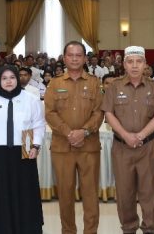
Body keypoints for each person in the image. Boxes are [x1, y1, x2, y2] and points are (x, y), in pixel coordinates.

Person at [102, 46, 154, 234]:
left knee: (149, 192)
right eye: (130, 62)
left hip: (148, 147)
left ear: (145, 64)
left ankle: (149, 229)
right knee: (124, 193)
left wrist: (140, 135)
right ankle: (128, 228)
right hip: (122, 148)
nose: (135, 66)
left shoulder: (153, 87)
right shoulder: (114, 86)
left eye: (139, 61)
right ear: (124, 64)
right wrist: (126, 135)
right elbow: (109, 114)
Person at [0, 65, 45, 234]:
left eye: (12, 77)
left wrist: (36, 145)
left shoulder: (31, 99)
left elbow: (39, 124)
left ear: (17, 79)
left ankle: (27, 228)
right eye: (4, 78)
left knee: (25, 193)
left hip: (23, 153)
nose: (8, 81)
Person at [44, 41, 104, 234]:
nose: (75, 59)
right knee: (65, 194)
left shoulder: (94, 83)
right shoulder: (55, 83)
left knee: (90, 194)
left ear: (85, 58)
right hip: (62, 147)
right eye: (71, 55)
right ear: (64, 58)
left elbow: (99, 112)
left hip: (89, 147)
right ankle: (68, 231)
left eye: (79, 55)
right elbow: (50, 113)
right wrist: (69, 133)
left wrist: (83, 131)